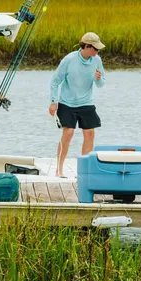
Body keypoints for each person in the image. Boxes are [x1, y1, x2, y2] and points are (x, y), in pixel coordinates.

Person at [49, 32, 106, 177]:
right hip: (67, 103)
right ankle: (59, 169)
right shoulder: (69, 60)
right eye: (95, 48)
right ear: (86, 46)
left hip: (86, 102)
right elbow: (55, 81)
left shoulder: (97, 60)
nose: (97, 51)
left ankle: (84, 170)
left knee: (90, 133)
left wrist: (98, 79)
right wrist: (53, 102)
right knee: (68, 132)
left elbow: (101, 84)